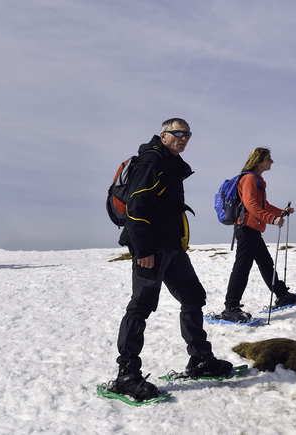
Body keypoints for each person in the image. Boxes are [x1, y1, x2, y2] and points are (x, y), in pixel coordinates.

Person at [108, 118, 232, 402]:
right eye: (178, 133)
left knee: (193, 297)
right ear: (163, 135)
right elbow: (136, 209)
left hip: (172, 248)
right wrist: (144, 250)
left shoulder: (171, 164)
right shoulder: (152, 161)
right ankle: (126, 376)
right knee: (141, 307)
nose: (184, 138)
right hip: (151, 249)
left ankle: (201, 359)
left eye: (188, 134)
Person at [220, 147, 296, 323]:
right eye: (268, 159)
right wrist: (272, 220)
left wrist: (281, 212)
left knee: (265, 263)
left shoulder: (257, 179)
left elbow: (263, 204)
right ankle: (230, 307)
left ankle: (282, 294)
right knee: (242, 267)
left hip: (253, 228)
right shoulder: (249, 178)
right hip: (246, 228)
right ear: (259, 160)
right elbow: (250, 205)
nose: (271, 162)